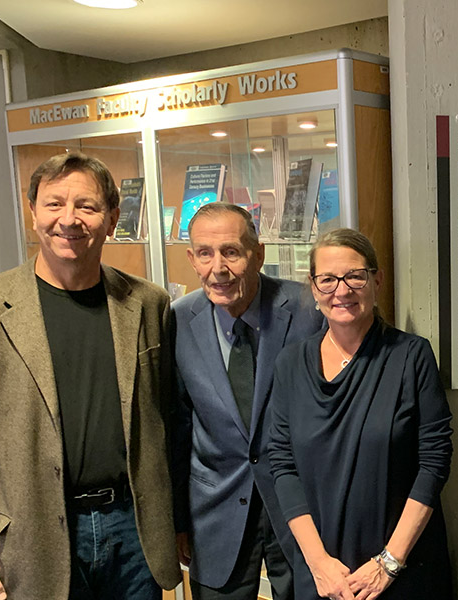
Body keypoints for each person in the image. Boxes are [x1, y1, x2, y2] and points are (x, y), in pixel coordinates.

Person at [0, 152, 180, 599]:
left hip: (133, 528)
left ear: (112, 217)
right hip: (34, 534)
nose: (69, 220)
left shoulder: (148, 303)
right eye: (54, 204)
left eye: (86, 206)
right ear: (33, 213)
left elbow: (165, 419)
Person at [268, 228, 454, 600]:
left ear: (377, 279)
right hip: (322, 574)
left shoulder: (411, 357)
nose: (342, 290)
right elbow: (282, 463)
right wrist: (317, 562)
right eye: (328, 279)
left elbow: (434, 462)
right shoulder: (290, 363)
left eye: (355, 275)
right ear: (313, 286)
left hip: (402, 570)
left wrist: (389, 563)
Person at [171, 202, 322, 600]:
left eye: (231, 252)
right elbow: (177, 427)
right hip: (215, 513)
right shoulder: (177, 321)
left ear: (259, 255)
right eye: (204, 253)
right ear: (192, 258)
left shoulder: (308, 311)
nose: (217, 268)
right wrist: (176, 520)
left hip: (299, 510)